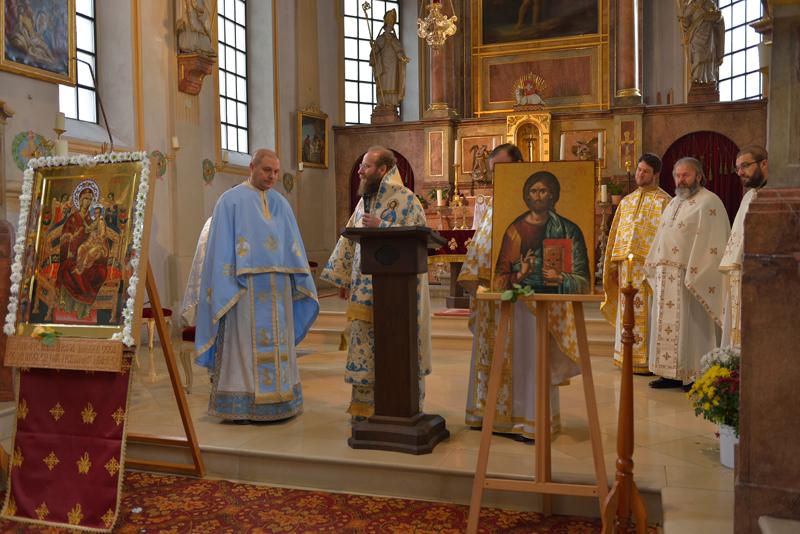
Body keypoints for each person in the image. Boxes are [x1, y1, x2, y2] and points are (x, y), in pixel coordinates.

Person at [458, 143, 580, 441]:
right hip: (494, 298)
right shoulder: (495, 207)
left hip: (529, 300)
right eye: (493, 172)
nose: (496, 176)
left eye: (502, 169)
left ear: (520, 166)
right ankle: (492, 417)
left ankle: (529, 420)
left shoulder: (542, 211)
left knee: (528, 357)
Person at [194, 149, 319, 423]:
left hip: (278, 290)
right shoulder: (230, 201)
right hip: (244, 289)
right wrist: (225, 284)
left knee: (278, 344)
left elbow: (294, 248)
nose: (272, 176)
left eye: (276, 172)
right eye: (267, 170)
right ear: (251, 167)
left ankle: (282, 399)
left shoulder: (282, 204)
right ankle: (241, 405)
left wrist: (299, 279)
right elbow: (219, 250)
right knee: (244, 346)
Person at [320, 146, 431, 420]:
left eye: (366, 166)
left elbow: (420, 240)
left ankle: (398, 404)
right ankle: (365, 408)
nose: (360, 171)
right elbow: (349, 239)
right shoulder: (364, 202)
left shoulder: (407, 200)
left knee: (395, 347)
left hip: (399, 297)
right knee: (365, 349)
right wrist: (343, 278)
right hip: (364, 293)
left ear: (383, 170)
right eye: (360, 166)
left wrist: (382, 226)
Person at [645, 157, 730, 389]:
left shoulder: (709, 202)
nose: (681, 180)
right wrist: (654, 265)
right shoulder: (673, 202)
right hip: (666, 276)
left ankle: (694, 374)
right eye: (677, 175)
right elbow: (662, 236)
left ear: (699, 176)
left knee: (692, 326)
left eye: (686, 175)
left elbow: (714, 242)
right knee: (666, 326)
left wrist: (695, 272)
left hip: (690, 277)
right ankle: (669, 374)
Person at [601, 154, 672, 374]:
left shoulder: (665, 202)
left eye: (645, 171)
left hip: (649, 270)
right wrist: (614, 266)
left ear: (656, 174)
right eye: (639, 170)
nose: (640, 174)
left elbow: (667, 238)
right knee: (627, 311)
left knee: (648, 312)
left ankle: (647, 361)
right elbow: (616, 235)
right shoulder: (626, 201)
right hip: (626, 269)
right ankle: (626, 356)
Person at [494, 172, 590, 294]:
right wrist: (521, 274)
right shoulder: (515, 231)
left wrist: (560, 278)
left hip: (560, 300)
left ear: (552, 195)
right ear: (527, 195)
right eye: (533, 191)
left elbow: (585, 283)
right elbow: (498, 282)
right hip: (522, 299)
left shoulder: (569, 230)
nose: (537, 197)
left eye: (543, 191)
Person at [719, 145, 768, 349]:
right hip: (740, 272)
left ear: (764, 164)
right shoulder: (748, 196)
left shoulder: (775, 194)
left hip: (762, 275)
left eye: (745, 166)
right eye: (737, 168)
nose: (740, 172)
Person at [56, 186, 109, 319]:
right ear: (80, 201)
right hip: (73, 254)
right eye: (85, 199)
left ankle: (83, 310)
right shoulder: (72, 218)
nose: (87, 202)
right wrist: (73, 237)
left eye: (90, 199)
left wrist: (99, 246)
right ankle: (70, 308)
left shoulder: (93, 219)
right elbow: (65, 237)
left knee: (95, 271)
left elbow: (101, 235)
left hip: (91, 252)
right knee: (68, 267)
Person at [370, 9, 410, 108]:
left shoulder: (395, 39)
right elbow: (375, 51)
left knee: (392, 82)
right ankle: (383, 102)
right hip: (383, 65)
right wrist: (374, 48)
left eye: (392, 24)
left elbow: (399, 51)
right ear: (386, 24)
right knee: (383, 82)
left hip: (393, 65)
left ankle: (391, 102)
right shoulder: (380, 38)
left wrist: (403, 58)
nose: (391, 26)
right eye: (389, 24)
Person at [679, 0, 725, 84]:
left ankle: (709, 78)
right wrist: (683, 21)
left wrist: (707, 16)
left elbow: (719, 17)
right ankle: (697, 78)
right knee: (698, 55)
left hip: (709, 36)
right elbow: (686, 23)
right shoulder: (692, 6)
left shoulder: (710, 3)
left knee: (709, 56)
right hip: (696, 35)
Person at [75, 206, 110, 276]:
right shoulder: (94, 222)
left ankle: (82, 270)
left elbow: (103, 235)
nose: (96, 214)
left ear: (100, 214)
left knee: (89, 253)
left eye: (98, 213)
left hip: (99, 244)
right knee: (80, 248)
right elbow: (88, 230)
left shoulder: (101, 222)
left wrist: (97, 236)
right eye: (95, 213)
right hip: (90, 242)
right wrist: (84, 222)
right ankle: (78, 266)